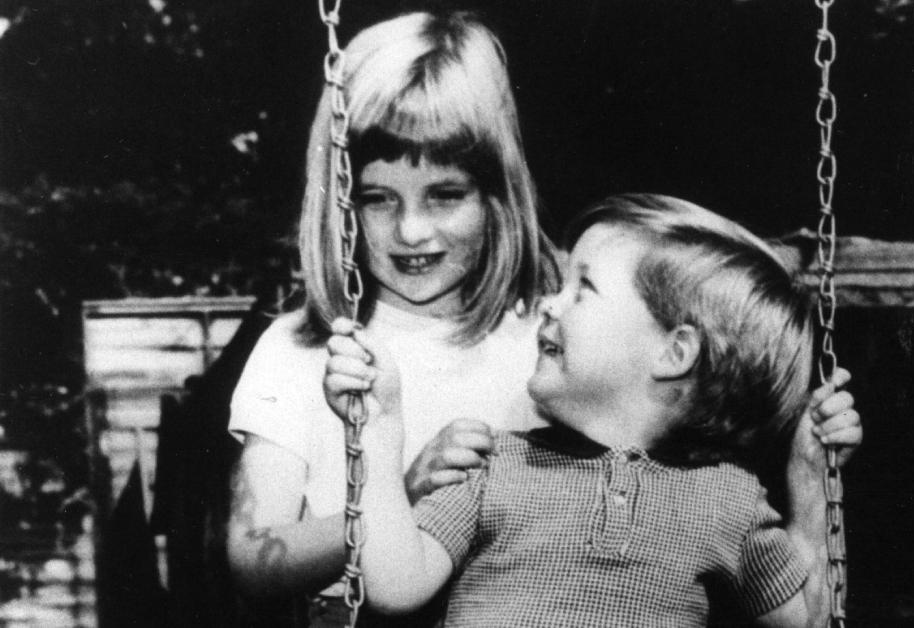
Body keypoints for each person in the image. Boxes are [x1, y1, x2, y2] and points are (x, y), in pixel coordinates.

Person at [227, 9, 859, 626]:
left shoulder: (549, 337)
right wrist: (401, 488)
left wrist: (809, 478)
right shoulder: (308, 349)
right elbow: (254, 563)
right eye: (376, 198)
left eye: (446, 194)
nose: (411, 230)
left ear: (496, 191)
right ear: (341, 201)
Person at [325, 194, 861, 626]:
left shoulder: (729, 500)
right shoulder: (494, 465)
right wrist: (378, 424)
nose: (549, 304)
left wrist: (810, 485)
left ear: (673, 353)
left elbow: (809, 620)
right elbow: (394, 587)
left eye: (583, 289)